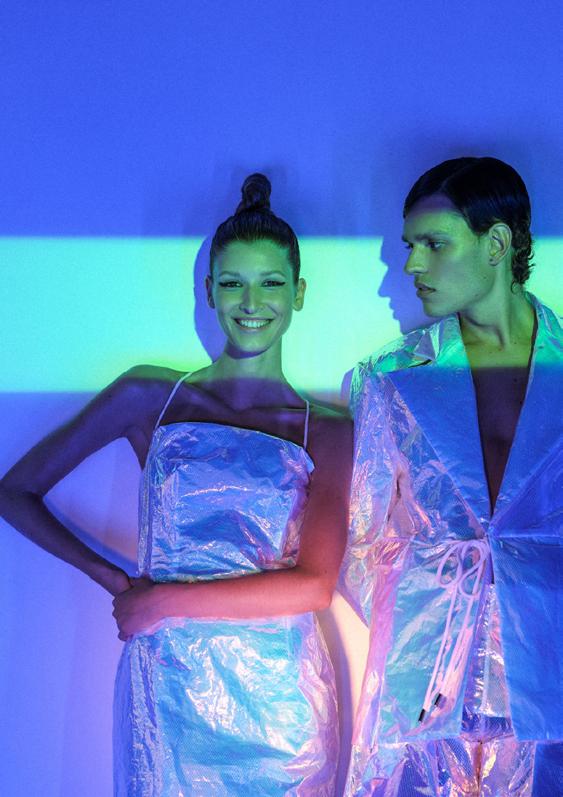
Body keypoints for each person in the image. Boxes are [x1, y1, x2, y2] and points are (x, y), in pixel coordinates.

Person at [0, 174, 352, 796]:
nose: (251, 301)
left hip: (282, 712)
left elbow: (315, 585)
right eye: (232, 282)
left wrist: (162, 601)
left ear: (298, 294)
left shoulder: (324, 429)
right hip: (167, 692)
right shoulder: (152, 397)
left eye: (271, 283)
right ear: (209, 291)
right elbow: (16, 491)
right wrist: (116, 581)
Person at [342, 157, 562, 796]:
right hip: (423, 682)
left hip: (550, 674)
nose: (412, 266)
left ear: (497, 244)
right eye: (410, 246)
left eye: (434, 244)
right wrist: (427, 620)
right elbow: (362, 537)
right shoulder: (389, 378)